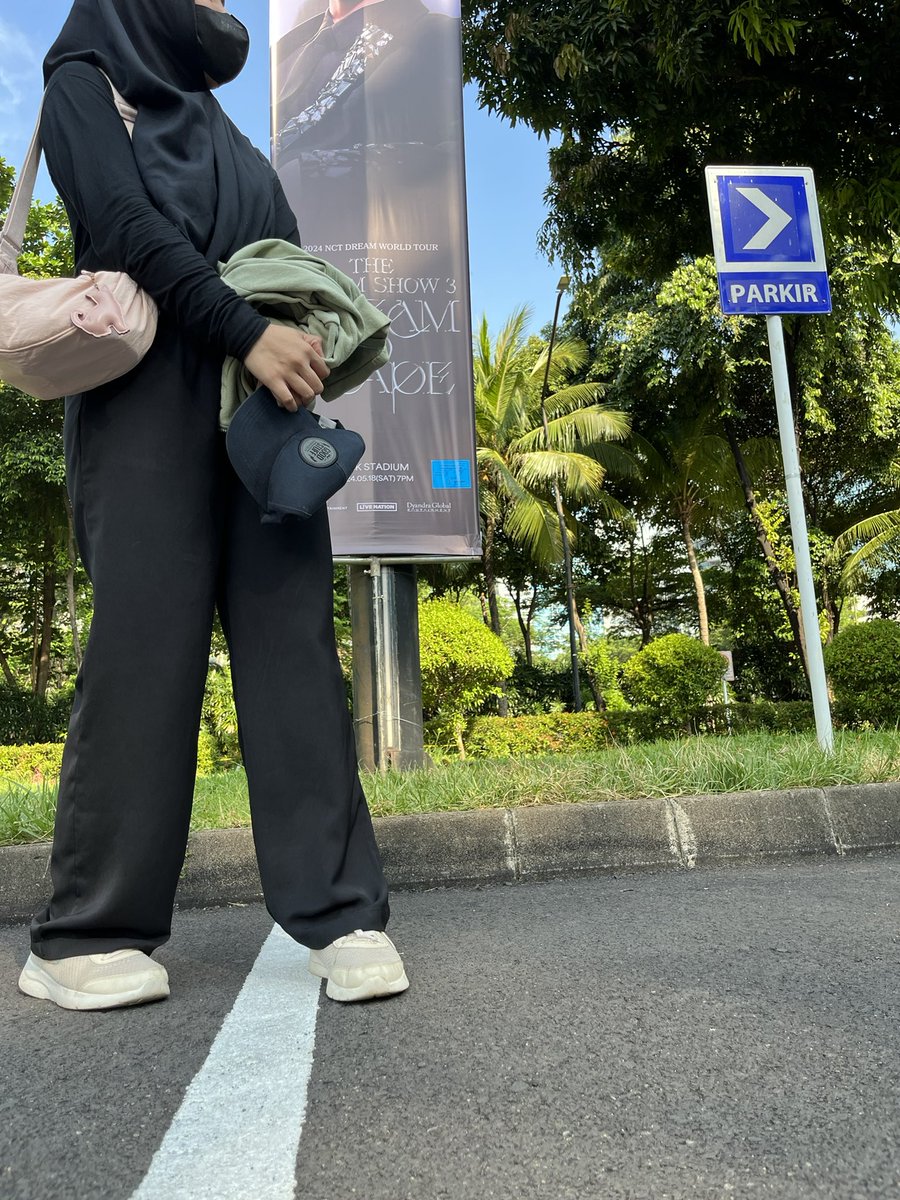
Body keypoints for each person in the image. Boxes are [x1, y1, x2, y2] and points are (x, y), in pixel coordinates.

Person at [16, 0, 409, 1011]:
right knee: (148, 648)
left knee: (291, 641)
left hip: (256, 402)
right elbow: (121, 225)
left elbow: (273, 245)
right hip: (146, 399)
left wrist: (294, 333)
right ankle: (82, 936)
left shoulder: (219, 121)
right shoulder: (85, 80)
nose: (224, 4)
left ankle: (339, 909)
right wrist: (243, 328)